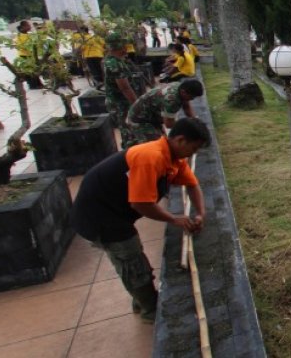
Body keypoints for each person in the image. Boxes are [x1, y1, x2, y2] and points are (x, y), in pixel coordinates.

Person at [71, 117, 209, 323]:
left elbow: (192, 185)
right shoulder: (150, 158)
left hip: (115, 210)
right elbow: (141, 204)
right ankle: (149, 309)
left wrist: (200, 214)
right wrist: (175, 219)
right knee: (131, 260)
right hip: (99, 216)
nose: (193, 154)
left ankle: (140, 296)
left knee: (133, 259)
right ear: (181, 140)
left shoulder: (173, 158)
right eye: (194, 148)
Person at [125, 79, 204, 148]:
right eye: (191, 97)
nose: (192, 99)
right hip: (140, 120)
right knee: (159, 146)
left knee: (165, 143)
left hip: (152, 117)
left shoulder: (180, 87)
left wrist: (195, 123)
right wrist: (189, 128)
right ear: (184, 92)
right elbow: (169, 124)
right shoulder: (171, 100)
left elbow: (186, 107)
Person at [103, 32, 140, 149]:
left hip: (117, 102)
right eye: (124, 45)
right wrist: (137, 104)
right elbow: (124, 88)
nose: (126, 47)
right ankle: (130, 156)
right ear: (119, 46)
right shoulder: (115, 64)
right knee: (129, 132)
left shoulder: (110, 60)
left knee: (126, 128)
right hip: (121, 104)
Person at [15, 20, 44, 89]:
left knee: (34, 70)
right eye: (28, 25)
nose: (30, 26)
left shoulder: (29, 35)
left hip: (31, 55)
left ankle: (38, 83)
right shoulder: (19, 36)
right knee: (29, 72)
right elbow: (19, 46)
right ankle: (33, 85)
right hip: (24, 56)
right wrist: (28, 47)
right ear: (23, 27)